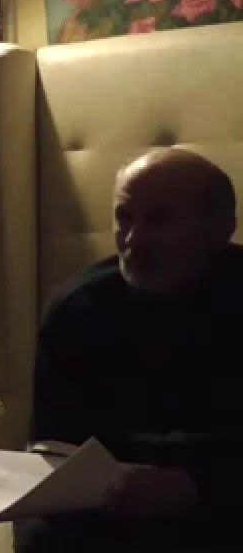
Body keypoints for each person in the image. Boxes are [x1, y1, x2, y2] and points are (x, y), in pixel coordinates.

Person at [20, 148, 242, 552]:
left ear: (221, 228)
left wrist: (198, 485)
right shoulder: (78, 309)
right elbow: (55, 442)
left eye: (159, 220)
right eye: (124, 218)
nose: (134, 239)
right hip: (108, 507)